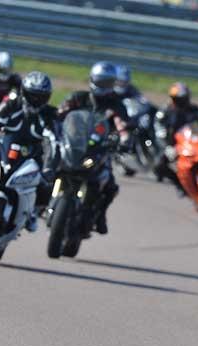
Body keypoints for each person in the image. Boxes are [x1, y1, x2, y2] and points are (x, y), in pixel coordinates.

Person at [0, 71, 57, 232]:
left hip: (32, 154)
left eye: (40, 97)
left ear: (47, 97)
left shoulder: (49, 114)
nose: (35, 100)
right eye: (32, 95)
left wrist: (49, 168)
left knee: (46, 185)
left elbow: (54, 142)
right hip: (4, 145)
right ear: (24, 92)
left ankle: (33, 213)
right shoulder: (12, 104)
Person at [58, 61, 134, 235]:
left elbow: (123, 126)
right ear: (92, 79)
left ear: (113, 83)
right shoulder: (78, 98)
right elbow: (60, 114)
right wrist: (51, 122)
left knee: (110, 186)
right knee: (49, 169)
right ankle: (37, 206)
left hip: (99, 149)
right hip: (74, 145)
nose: (102, 86)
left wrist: (125, 140)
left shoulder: (116, 105)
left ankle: (100, 216)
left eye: (106, 83)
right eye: (100, 81)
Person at [154, 82, 198, 193]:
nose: (181, 102)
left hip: (193, 138)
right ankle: (179, 184)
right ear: (173, 99)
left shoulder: (194, 109)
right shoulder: (165, 111)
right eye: (178, 99)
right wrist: (167, 146)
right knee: (158, 166)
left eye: (183, 99)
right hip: (174, 142)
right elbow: (159, 129)